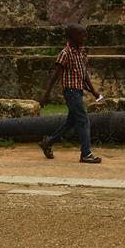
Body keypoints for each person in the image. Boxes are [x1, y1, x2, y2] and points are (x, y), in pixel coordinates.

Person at [38, 23, 103, 164]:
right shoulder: (65, 53)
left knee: (71, 121)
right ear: (73, 36)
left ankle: (48, 142)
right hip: (70, 91)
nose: (84, 37)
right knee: (84, 120)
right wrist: (46, 94)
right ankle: (86, 153)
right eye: (82, 35)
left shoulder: (81, 52)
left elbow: (84, 74)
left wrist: (93, 91)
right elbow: (55, 74)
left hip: (78, 91)